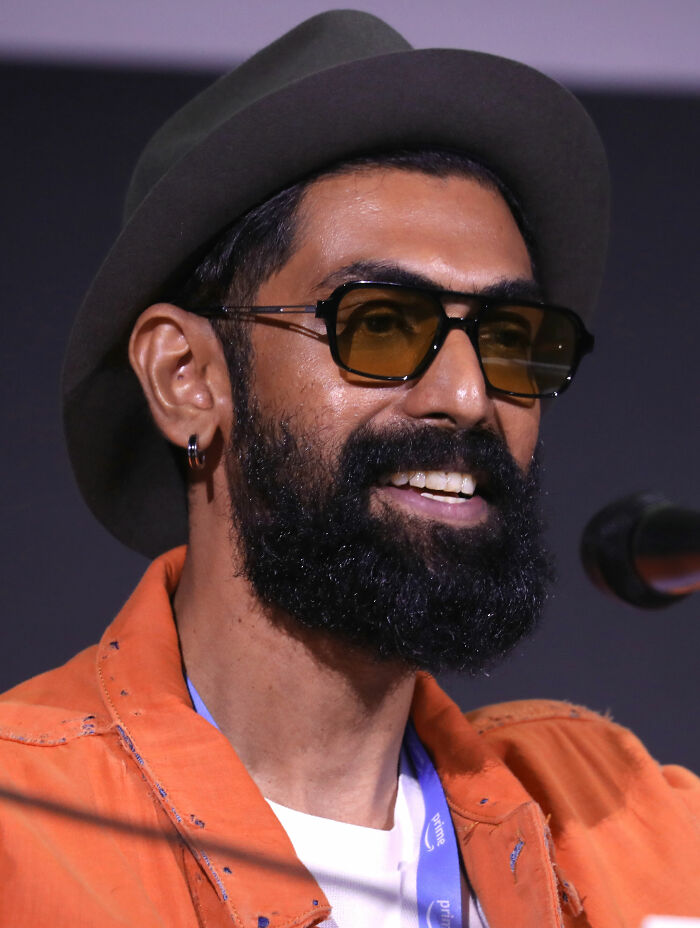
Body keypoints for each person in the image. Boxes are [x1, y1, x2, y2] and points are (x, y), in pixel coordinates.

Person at [0, 10, 698, 928]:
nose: (466, 395)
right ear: (186, 379)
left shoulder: (642, 830)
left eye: (510, 339)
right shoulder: (23, 834)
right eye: (379, 323)